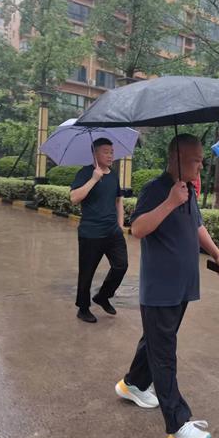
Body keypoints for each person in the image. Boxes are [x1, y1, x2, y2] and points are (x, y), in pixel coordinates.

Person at [115, 134, 219, 438]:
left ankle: (132, 384)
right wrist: (169, 202)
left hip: (182, 287)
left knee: (155, 341)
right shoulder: (156, 190)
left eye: (202, 160)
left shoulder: (188, 190)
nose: (201, 165)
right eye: (196, 160)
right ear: (176, 158)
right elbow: (137, 229)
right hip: (160, 289)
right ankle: (177, 427)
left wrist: (218, 256)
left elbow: (197, 226)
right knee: (164, 355)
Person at [70, 138, 128, 323]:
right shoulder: (85, 173)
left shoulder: (113, 175)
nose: (110, 155)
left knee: (121, 265)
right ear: (95, 154)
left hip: (113, 231)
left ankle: (103, 296)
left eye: (112, 152)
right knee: (87, 273)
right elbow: (74, 198)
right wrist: (94, 179)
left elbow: (118, 200)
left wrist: (120, 224)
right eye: (106, 152)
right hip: (91, 232)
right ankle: (83, 308)